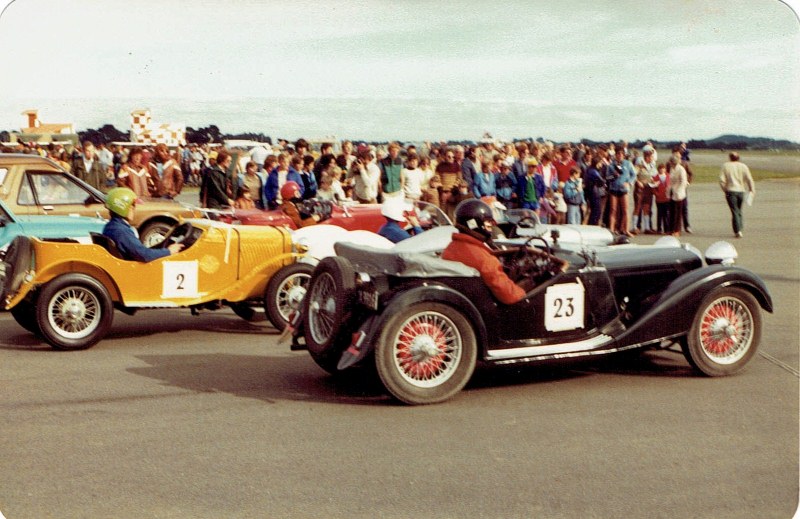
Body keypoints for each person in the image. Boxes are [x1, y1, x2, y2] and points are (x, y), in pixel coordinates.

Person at [441, 199, 525, 305]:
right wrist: (524, 293)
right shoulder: (483, 258)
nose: (491, 225)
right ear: (473, 224)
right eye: (488, 222)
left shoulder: (450, 249)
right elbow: (510, 296)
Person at [102, 187, 182, 262]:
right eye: (132, 205)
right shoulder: (120, 231)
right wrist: (169, 251)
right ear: (122, 207)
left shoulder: (111, 226)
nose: (134, 208)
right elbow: (144, 255)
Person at [719, 152, 755, 238]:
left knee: (734, 211)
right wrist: (752, 189)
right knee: (739, 210)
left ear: (730, 158)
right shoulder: (743, 166)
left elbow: (721, 181)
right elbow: (749, 179)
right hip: (741, 191)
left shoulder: (725, 166)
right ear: (738, 158)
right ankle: (740, 228)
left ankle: (737, 230)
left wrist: (725, 190)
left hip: (731, 191)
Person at [668, 156, 689, 237]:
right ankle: (671, 229)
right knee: (672, 212)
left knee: (678, 213)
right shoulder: (672, 169)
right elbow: (670, 180)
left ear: (674, 162)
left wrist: (678, 191)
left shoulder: (681, 169)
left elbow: (684, 182)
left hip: (679, 193)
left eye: (671, 162)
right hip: (672, 192)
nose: (670, 164)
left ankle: (677, 230)